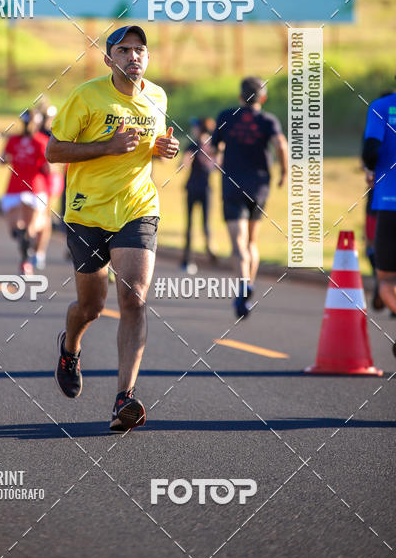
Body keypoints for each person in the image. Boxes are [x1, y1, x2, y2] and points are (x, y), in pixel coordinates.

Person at [47, 24, 179, 432]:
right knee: (91, 307)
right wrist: (106, 146)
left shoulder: (157, 96)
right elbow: (54, 151)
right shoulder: (86, 96)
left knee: (134, 298)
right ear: (109, 60)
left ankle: (125, 398)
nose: (133, 57)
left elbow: (152, 144)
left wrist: (164, 149)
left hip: (138, 208)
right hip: (87, 213)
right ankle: (70, 348)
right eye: (123, 50)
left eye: (140, 50)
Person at [210, 76, 287, 319]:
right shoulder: (268, 120)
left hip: (232, 186)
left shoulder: (225, 116)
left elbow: (213, 149)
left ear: (240, 97)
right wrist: (284, 172)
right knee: (252, 241)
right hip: (260, 187)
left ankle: (242, 286)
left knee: (238, 243)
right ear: (263, 97)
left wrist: (222, 153)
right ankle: (250, 285)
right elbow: (281, 145)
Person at [362, 84, 396, 349]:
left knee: (385, 278)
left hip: (389, 202)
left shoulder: (382, 107)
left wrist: (371, 168)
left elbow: (370, 153)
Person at [1, 109, 50, 273]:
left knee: (29, 229)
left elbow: (47, 167)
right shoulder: (13, 140)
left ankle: (25, 261)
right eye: (26, 123)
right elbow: (4, 159)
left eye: (31, 123)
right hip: (14, 188)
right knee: (15, 230)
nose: (29, 126)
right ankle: (27, 255)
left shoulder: (41, 141)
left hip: (34, 189)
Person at [181, 117, 217, 272]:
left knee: (189, 225)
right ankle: (210, 249)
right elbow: (216, 166)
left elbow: (182, 164)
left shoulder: (193, 144)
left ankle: (187, 259)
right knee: (205, 224)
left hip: (192, 188)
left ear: (199, 129)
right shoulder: (212, 146)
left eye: (195, 127)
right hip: (206, 189)